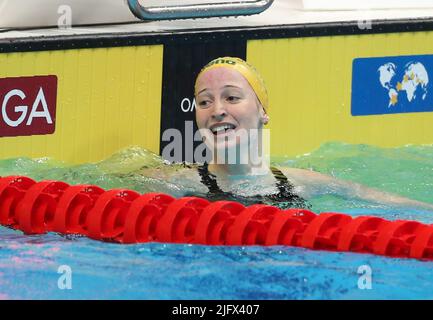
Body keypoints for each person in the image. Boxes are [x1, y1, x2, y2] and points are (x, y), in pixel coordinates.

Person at [142, 57, 433, 211]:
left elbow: (394, 204)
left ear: (263, 112)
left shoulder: (303, 183)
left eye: (232, 98)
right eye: (204, 101)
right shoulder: (177, 182)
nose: (217, 110)